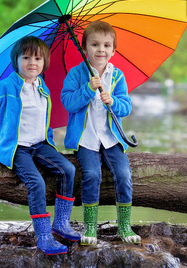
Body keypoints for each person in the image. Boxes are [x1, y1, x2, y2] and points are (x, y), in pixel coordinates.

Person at [0, 36, 80, 255]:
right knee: (36, 183)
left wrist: (50, 143)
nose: (32, 62)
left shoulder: (43, 89)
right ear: (17, 61)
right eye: (26, 57)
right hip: (16, 147)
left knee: (68, 169)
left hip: (39, 145)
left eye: (37, 58)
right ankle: (44, 236)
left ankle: (61, 223)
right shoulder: (3, 88)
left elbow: (44, 123)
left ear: (44, 63)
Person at [61, 21, 141, 245]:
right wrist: (87, 89)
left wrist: (113, 101)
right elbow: (68, 102)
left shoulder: (117, 77)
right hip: (87, 139)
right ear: (84, 48)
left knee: (124, 175)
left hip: (111, 138)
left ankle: (124, 226)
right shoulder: (77, 74)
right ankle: (90, 228)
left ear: (113, 50)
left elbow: (126, 106)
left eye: (106, 45)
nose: (101, 50)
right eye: (95, 44)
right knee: (92, 176)